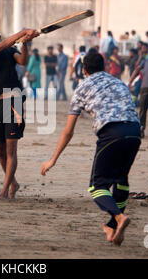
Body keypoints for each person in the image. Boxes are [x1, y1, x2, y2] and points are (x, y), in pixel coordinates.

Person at [41, 52, 141, 247]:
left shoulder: (81, 88)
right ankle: (112, 228)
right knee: (121, 180)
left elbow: (68, 131)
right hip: (135, 131)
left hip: (111, 133)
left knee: (97, 186)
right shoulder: (118, 82)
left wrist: (53, 159)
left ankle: (119, 218)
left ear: (84, 70)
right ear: (104, 67)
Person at [0, 23, 39, 198]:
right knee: (0, 149)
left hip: (13, 102)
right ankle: (13, 182)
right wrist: (22, 32)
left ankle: (5, 190)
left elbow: (23, 61)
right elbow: (2, 45)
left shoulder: (9, 50)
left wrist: (25, 43)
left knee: (11, 149)